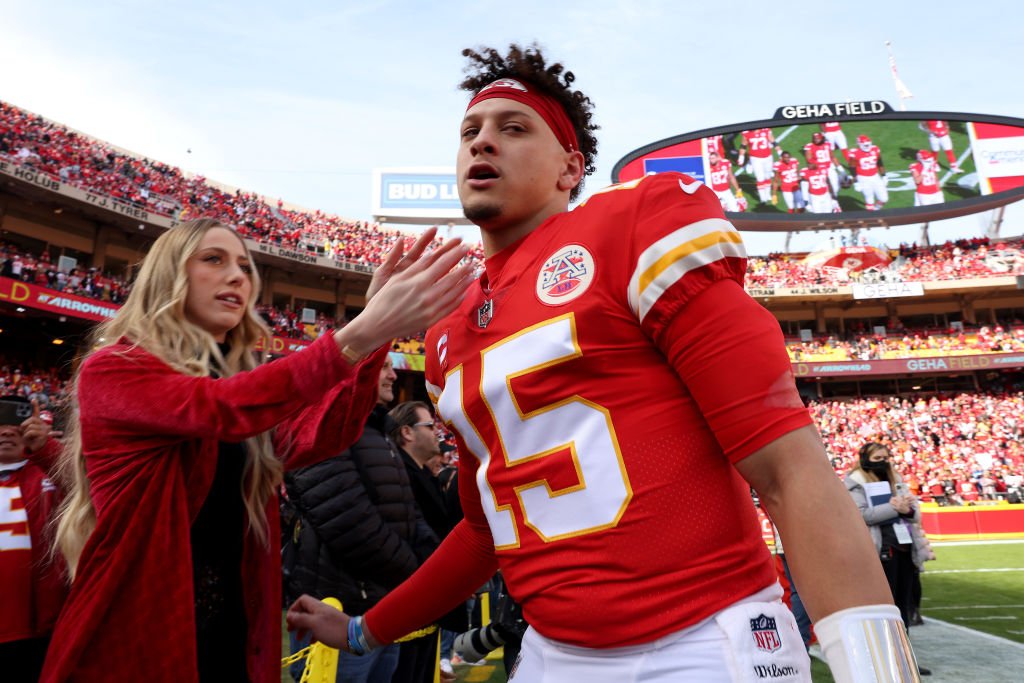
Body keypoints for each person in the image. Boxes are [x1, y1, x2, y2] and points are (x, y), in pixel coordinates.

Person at [288, 43, 917, 683]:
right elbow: (484, 534)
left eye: (512, 128)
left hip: (702, 641)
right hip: (551, 652)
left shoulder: (632, 226)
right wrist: (365, 630)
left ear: (570, 167)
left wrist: (881, 672)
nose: (482, 144)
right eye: (470, 133)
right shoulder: (450, 335)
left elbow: (785, 466)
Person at [41, 217, 472, 682]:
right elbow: (220, 410)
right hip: (140, 635)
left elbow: (322, 434)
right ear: (167, 275)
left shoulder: (233, 387)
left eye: (245, 267)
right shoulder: (114, 369)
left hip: (233, 634)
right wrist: (361, 332)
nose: (237, 276)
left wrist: (375, 334)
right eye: (213, 259)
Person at [283, 361, 439, 683]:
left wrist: (434, 561)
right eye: (382, 366)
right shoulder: (325, 424)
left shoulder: (375, 431)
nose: (394, 375)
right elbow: (351, 525)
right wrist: (418, 573)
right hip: (340, 610)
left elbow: (409, 513)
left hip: (379, 609)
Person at [844, 442, 931, 675]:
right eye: (877, 457)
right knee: (883, 608)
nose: (883, 461)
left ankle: (905, 659)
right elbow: (861, 515)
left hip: (903, 549)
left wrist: (906, 508)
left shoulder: (896, 478)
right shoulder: (855, 482)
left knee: (903, 605)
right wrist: (895, 508)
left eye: (885, 456)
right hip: (878, 550)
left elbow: (914, 512)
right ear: (864, 459)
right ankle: (881, 659)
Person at [0, 397, 66, 683]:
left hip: (41, 630)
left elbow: (88, 489)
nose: (6, 432)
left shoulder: (51, 470)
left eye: (15, 425)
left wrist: (48, 450)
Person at [847, 134, 888, 211]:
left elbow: (880, 163)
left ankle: (875, 210)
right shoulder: (855, 153)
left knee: (884, 199)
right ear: (859, 144)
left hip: (875, 176)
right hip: (863, 178)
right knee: (870, 200)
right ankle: (872, 217)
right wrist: (856, 182)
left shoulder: (875, 149)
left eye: (868, 144)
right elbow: (852, 168)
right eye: (865, 145)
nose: (867, 146)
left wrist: (884, 176)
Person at [737, 127, 777, 204]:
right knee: (760, 178)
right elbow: (743, 146)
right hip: (755, 158)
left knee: (767, 176)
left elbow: (773, 141)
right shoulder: (746, 133)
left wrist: (779, 151)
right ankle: (763, 198)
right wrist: (741, 157)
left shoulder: (766, 130)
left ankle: (767, 194)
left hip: (768, 157)